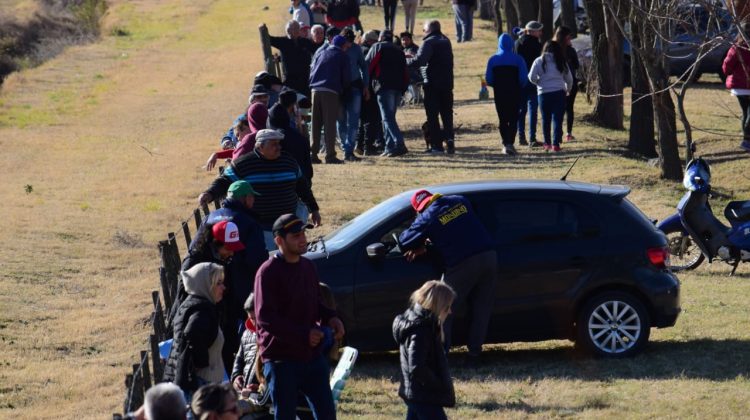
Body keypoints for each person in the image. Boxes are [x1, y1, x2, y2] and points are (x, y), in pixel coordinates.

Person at [254, 214, 346, 420]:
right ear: (279, 240)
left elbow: (316, 302)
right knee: (285, 415)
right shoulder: (267, 272)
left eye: (303, 233)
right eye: (296, 236)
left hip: (311, 356)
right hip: (281, 360)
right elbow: (265, 318)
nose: (303, 238)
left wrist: (331, 317)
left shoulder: (308, 266)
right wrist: (303, 334)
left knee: (326, 414)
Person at [398, 189, 496, 360]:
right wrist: (431, 241)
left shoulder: (427, 215)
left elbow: (405, 241)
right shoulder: (460, 200)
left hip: (463, 263)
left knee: (443, 308)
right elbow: (457, 229)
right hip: (489, 256)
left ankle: (440, 354)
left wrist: (421, 229)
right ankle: (474, 353)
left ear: (419, 208)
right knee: (482, 307)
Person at [198, 131, 322, 251]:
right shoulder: (243, 164)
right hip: (261, 229)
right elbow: (224, 181)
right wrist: (209, 194)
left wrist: (314, 209)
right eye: (274, 144)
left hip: (288, 227)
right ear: (260, 146)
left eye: (279, 144)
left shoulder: (289, 162)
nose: (279, 147)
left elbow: (303, 188)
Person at [393, 280, 456, 420]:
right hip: (423, 395)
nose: (450, 311)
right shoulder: (421, 331)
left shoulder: (420, 322)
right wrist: (438, 385)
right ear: (437, 306)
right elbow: (417, 367)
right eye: (447, 307)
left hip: (416, 393)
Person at [163, 263, 226, 401]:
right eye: (218, 283)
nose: (223, 287)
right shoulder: (201, 310)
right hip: (202, 385)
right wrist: (202, 363)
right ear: (206, 285)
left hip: (199, 383)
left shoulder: (192, 305)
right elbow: (192, 334)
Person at [407, 20, 455, 154]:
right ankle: (449, 140)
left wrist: (406, 62)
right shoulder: (446, 40)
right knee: (447, 114)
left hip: (432, 84)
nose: (423, 32)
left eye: (424, 30)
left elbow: (420, 61)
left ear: (429, 30)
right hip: (447, 84)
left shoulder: (428, 42)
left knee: (433, 116)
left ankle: (437, 146)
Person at [366, 29, 410, 157]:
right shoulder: (399, 50)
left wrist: (366, 84)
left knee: (386, 118)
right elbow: (405, 72)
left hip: (384, 86)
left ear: (380, 38)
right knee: (389, 118)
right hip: (398, 87)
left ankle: (399, 143)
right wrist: (404, 88)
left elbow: (368, 64)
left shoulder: (378, 46)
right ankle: (389, 147)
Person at [309, 34, 351, 164]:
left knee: (315, 124)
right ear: (343, 45)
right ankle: (330, 155)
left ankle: (313, 154)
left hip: (315, 90)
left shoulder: (322, 53)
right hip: (330, 91)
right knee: (329, 124)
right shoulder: (342, 55)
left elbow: (312, 70)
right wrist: (344, 91)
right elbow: (346, 77)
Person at [485, 33, 528, 155]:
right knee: (514, 117)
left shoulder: (493, 60)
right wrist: (519, 86)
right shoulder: (518, 59)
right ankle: (510, 143)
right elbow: (523, 79)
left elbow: (488, 79)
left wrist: (497, 85)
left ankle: (505, 142)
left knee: (503, 118)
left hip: (500, 93)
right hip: (515, 92)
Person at [528, 40, 573, 152]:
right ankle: (556, 144)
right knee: (557, 119)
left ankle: (547, 143)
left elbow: (531, 77)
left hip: (543, 94)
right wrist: (568, 89)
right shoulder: (561, 61)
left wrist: (538, 82)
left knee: (545, 119)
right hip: (559, 93)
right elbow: (570, 79)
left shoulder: (538, 61)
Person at [338, 27, 369, 162]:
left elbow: (364, 66)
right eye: (347, 42)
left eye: (351, 42)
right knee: (341, 120)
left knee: (354, 120)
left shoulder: (356, 49)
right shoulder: (334, 49)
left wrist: (366, 85)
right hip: (339, 88)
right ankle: (346, 148)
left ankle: (349, 150)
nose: (349, 45)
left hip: (355, 87)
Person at [269, 20, 317, 97]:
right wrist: (263, 29)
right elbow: (268, 39)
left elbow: (317, 49)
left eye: (298, 28)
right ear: (288, 31)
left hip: (305, 80)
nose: (298, 30)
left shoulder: (305, 42)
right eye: (295, 28)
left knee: (306, 103)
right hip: (290, 81)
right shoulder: (283, 41)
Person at [722, 23, 750, 152]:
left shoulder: (737, 47)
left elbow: (727, 65)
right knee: (748, 113)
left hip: (739, 86)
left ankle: (746, 138)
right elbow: (727, 66)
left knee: (746, 113)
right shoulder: (739, 47)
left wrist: (730, 72)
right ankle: (746, 140)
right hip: (742, 85)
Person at [515, 21, 543, 147]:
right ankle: (532, 138)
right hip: (533, 79)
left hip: (520, 80)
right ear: (532, 31)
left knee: (521, 110)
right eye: (539, 30)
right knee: (533, 109)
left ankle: (521, 137)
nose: (541, 33)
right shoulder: (537, 44)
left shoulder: (517, 43)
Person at [358, 30, 385, 156]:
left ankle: (360, 145)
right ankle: (368, 146)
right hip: (368, 88)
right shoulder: (369, 51)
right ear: (372, 41)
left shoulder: (359, 49)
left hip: (359, 87)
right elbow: (368, 70)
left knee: (363, 118)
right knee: (371, 117)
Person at [553, 26, 579, 143]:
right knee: (569, 108)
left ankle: (562, 132)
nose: (570, 40)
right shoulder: (570, 50)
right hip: (569, 82)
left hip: (557, 83)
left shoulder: (552, 49)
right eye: (569, 38)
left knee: (560, 109)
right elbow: (577, 65)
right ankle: (567, 133)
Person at [231, 294, 259, 394]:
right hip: (245, 392)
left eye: (257, 318)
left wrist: (261, 388)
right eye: (251, 318)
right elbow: (239, 358)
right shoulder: (246, 333)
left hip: (261, 397)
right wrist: (236, 376)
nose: (255, 323)